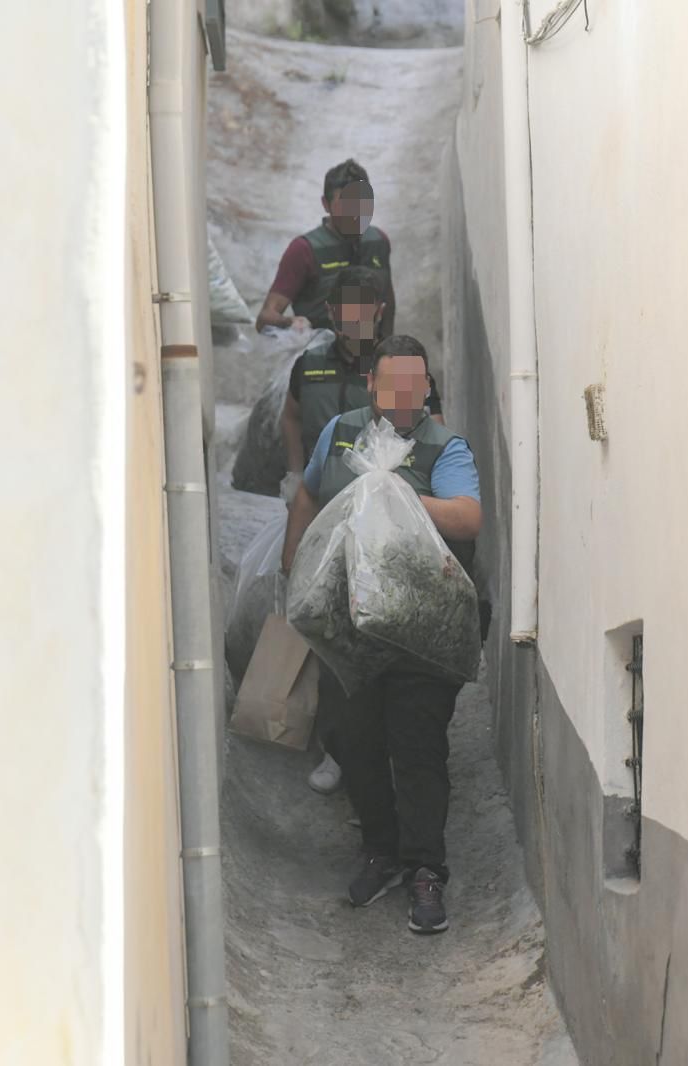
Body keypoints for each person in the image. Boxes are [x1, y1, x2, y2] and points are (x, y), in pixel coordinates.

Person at [280, 335, 483, 936]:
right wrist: (294, 564)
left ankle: (426, 871)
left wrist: (398, 496)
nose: (401, 395)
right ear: (372, 383)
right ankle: (381, 851)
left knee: (416, 745)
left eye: (413, 385)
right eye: (390, 383)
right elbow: (311, 492)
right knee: (354, 738)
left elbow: (468, 515)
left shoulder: (444, 446)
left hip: (422, 628)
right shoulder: (341, 432)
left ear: (426, 389)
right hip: (349, 625)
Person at [279, 267, 443, 797]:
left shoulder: (403, 370)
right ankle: (339, 751)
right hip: (337, 531)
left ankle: (387, 762)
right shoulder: (313, 368)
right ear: (333, 313)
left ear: (378, 312)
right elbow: (297, 431)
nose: (354, 317)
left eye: (364, 307)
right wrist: (293, 553)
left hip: (394, 541)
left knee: (387, 651)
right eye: (345, 307)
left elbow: (434, 436)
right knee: (336, 650)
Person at [255, 159, 396, 340]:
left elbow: (389, 303)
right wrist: (290, 322)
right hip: (322, 360)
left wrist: (386, 351)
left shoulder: (379, 241)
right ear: (325, 204)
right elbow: (264, 319)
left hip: (367, 359)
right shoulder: (304, 250)